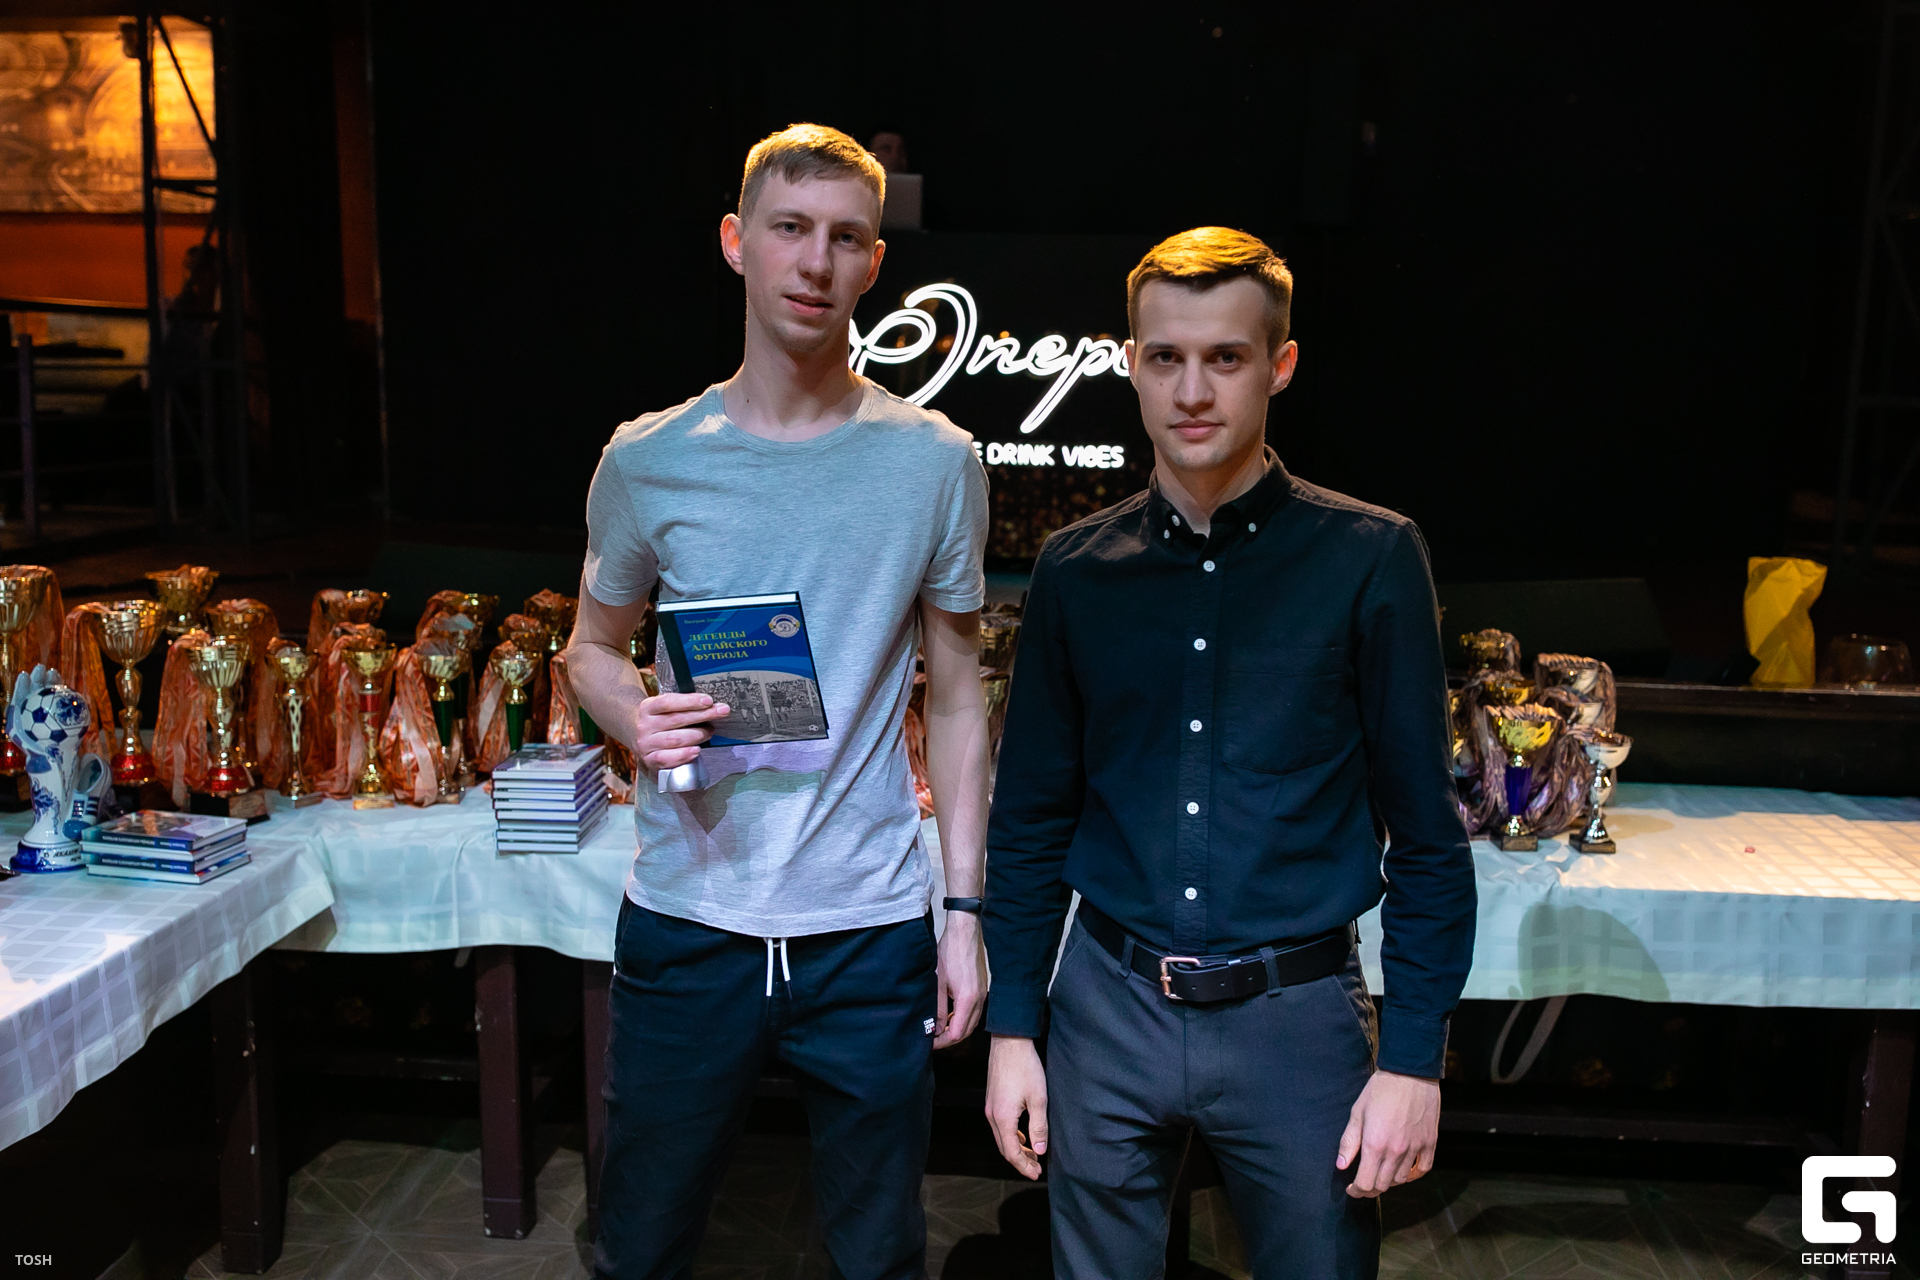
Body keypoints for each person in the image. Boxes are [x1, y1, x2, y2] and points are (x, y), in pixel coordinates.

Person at [980, 226, 1477, 1278]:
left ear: (1280, 365)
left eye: (1226, 357)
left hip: (1296, 1022)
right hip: (1106, 1008)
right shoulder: (1076, 569)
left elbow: (1429, 839)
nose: (1192, 389)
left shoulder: (1371, 557)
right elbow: (1027, 819)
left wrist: (1415, 1062)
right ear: (1131, 364)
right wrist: (1013, 1030)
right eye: (1166, 357)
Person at [566, 122, 992, 1280]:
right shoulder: (648, 458)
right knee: (638, 1247)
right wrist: (631, 711)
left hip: (868, 927)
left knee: (878, 1252)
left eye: (846, 237)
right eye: (790, 228)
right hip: (689, 919)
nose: (816, 261)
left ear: (874, 264)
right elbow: (589, 650)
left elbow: (959, 699)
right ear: (735, 241)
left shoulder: (935, 461)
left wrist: (964, 912)